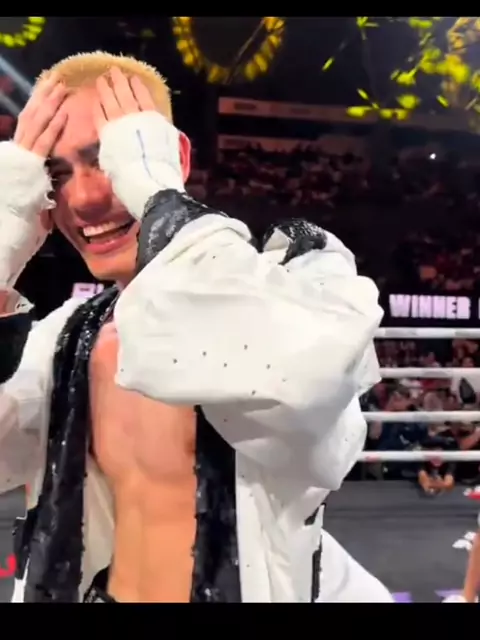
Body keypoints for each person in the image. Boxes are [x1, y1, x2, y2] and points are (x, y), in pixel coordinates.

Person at [0, 51, 386, 603]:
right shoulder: (64, 339)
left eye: (109, 159)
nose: (84, 198)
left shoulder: (302, 278)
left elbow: (299, 383)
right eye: (55, 175)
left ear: (172, 157)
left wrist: (158, 198)